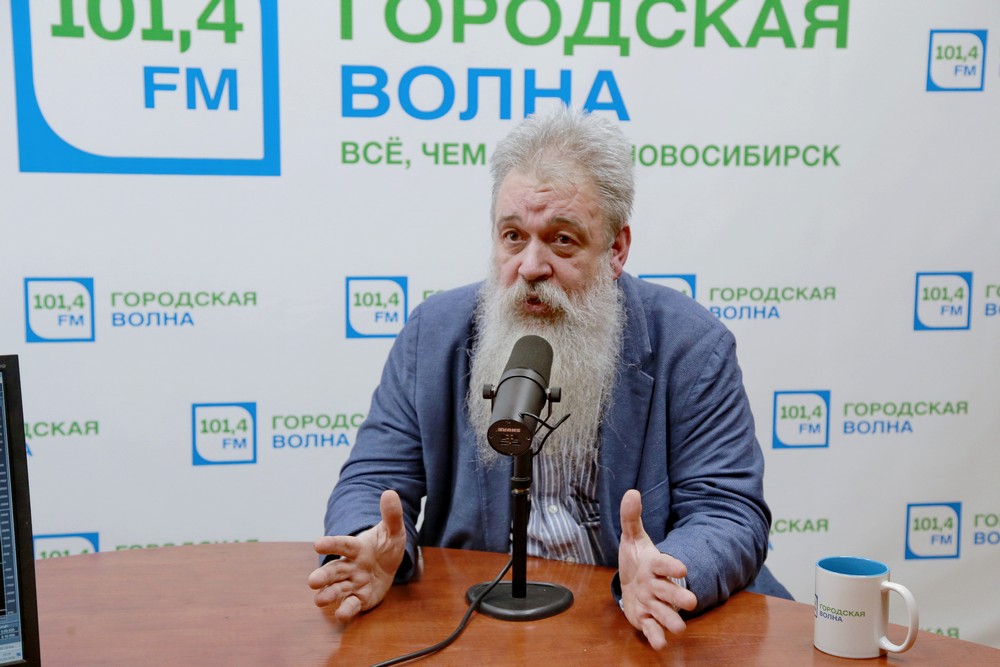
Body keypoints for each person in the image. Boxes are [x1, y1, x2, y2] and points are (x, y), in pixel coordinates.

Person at [308, 107, 789, 650]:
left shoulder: (691, 346)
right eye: (513, 236)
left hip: (626, 622)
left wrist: (669, 572)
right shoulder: (432, 335)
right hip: (479, 621)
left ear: (616, 250)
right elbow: (373, 479)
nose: (531, 266)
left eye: (561, 239)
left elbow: (728, 511)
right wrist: (367, 541)